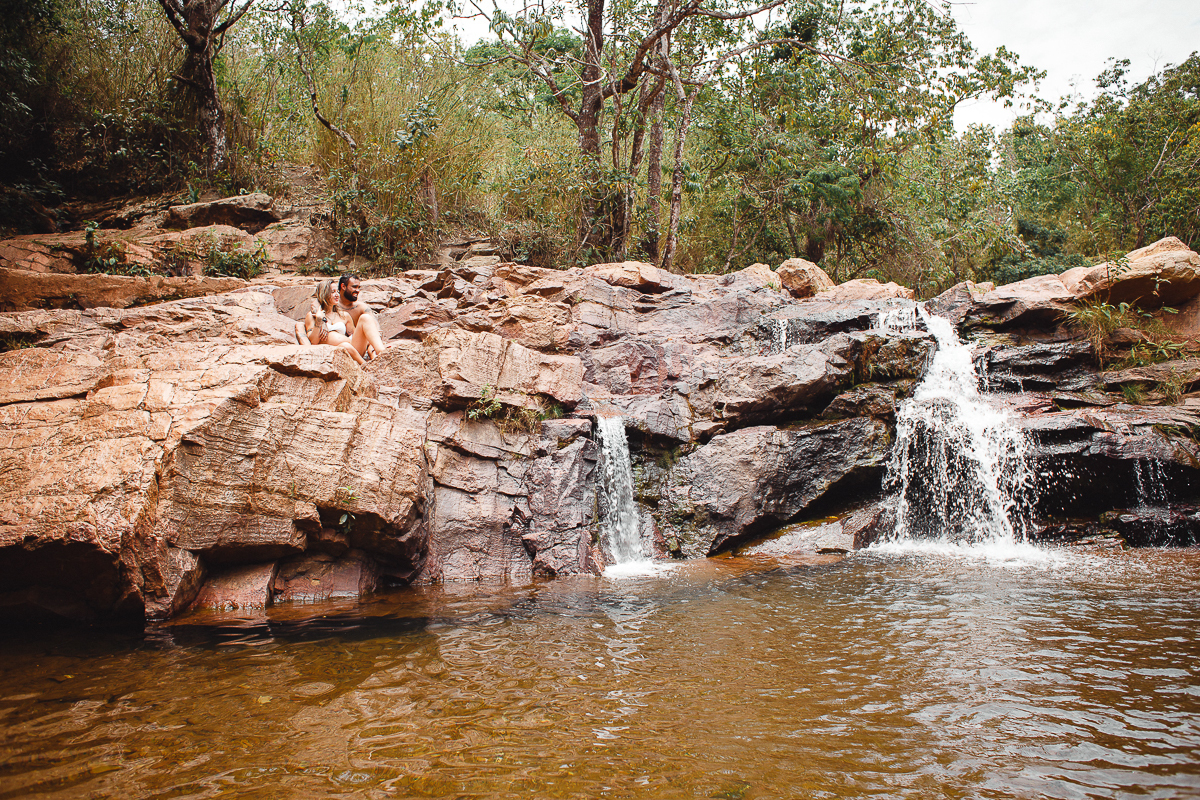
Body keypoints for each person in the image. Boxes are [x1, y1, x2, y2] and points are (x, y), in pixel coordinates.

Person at [296, 279, 368, 365]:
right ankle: (365, 366)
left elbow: (356, 335)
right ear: (324, 294)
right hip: (340, 351)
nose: (337, 295)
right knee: (344, 346)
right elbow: (313, 342)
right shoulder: (312, 316)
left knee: (365, 318)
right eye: (333, 292)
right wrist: (319, 320)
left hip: (355, 348)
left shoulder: (343, 315)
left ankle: (379, 350)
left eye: (337, 291)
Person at [334, 274, 389, 360]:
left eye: (359, 287)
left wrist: (371, 346)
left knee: (365, 318)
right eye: (354, 287)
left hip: (356, 349)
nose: (358, 290)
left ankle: (381, 353)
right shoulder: (331, 306)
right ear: (343, 286)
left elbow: (377, 330)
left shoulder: (361, 307)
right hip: (337, 350)